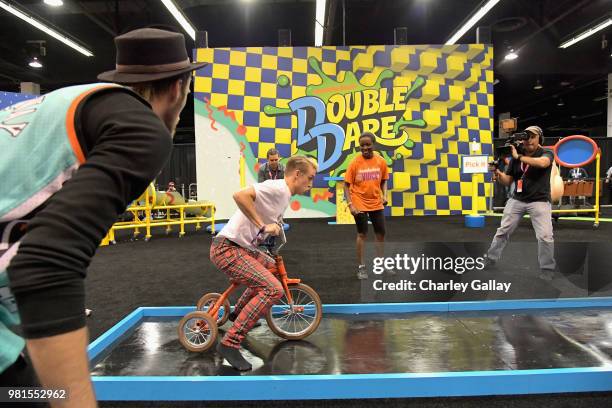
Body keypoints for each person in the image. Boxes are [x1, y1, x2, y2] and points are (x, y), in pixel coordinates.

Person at [0, 28, 205, 406]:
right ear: (179, 87)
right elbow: (45, 265)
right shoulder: (143, 129)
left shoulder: (60, 101)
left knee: (24, 390)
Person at [210, 156, 317, 371]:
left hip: (240, 247)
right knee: (273, 289)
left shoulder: (284, 195)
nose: (311, 184)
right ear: (297, 174)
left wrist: (275, 223)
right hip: (227, 249)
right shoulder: (277, 188)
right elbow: (239, 195)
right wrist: (262, 226)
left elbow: (266, 212)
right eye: (310, 178)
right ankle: (230, 344)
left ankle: (238, 314)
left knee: (272, 268)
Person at [485, 125, 557, 276]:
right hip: (517, 199)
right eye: (526, 137)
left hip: (539, 200)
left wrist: (519, 157)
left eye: (533, 136)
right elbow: (508, 181)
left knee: (545, 235)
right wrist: (497, 173)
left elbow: (543, 163)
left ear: (539, 139)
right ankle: (490, 259)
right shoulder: (516, 157)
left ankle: (547, 269)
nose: (529, 140)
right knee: (503, 231)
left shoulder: (546, 152)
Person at [343, 132, 390, 280]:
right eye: (362, 145)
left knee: (381, 233)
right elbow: (346, 185)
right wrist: (350, 204)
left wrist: (385, 195)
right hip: (359, 202)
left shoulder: (381, 161)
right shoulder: (355, 163)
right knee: (362, 234)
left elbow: (384, 180)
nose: (364, 148)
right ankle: (362, 268)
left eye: (367, 144)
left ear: (373, 145)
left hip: (376, 202)